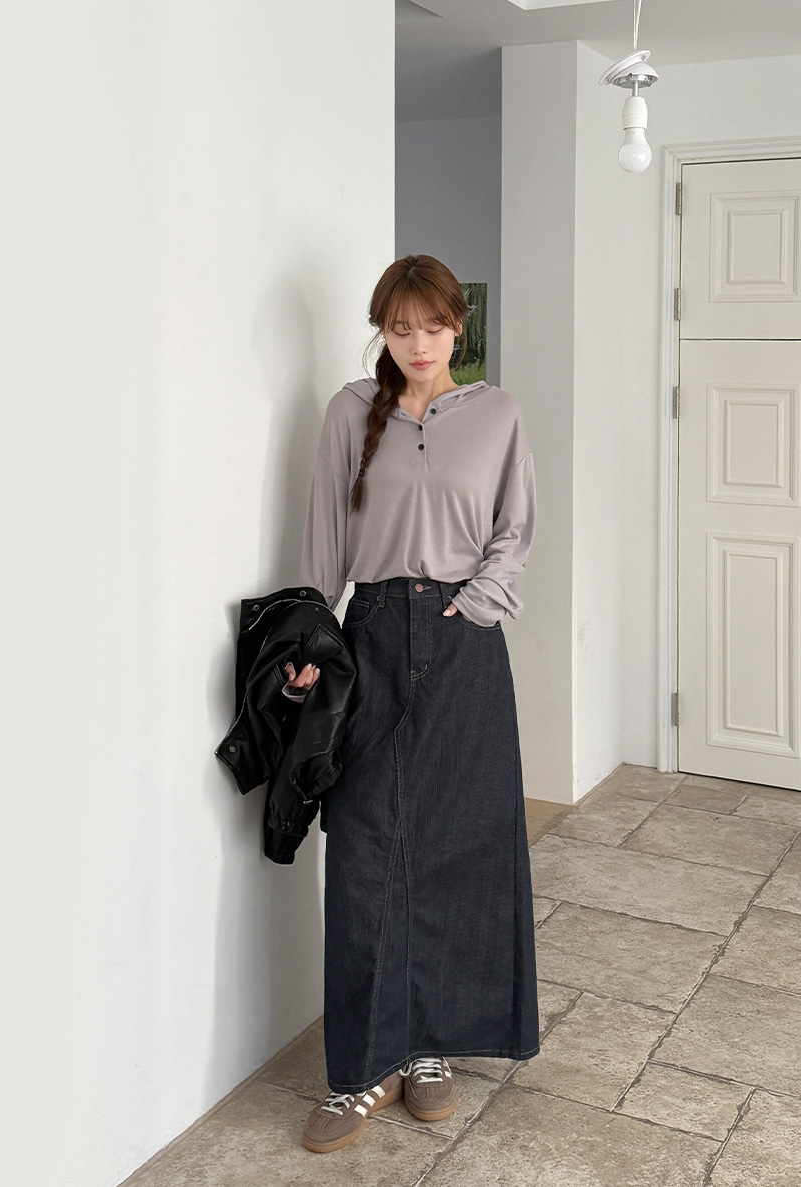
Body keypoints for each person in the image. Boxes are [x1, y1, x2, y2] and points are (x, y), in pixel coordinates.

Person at [285, 254, 540, 1154]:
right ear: (382, 331)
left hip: (465, 641)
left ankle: (428, 1044)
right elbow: (324, 536)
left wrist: (477, 603)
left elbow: (514, 528)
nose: (418, 343)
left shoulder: (498, 414)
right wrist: (310, 640)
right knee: (364, 848)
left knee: (456, 845)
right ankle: (361, 1068)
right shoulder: (349, 411)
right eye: (400, 328)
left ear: (457, 327)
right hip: (373, 636)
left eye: (432, 326)